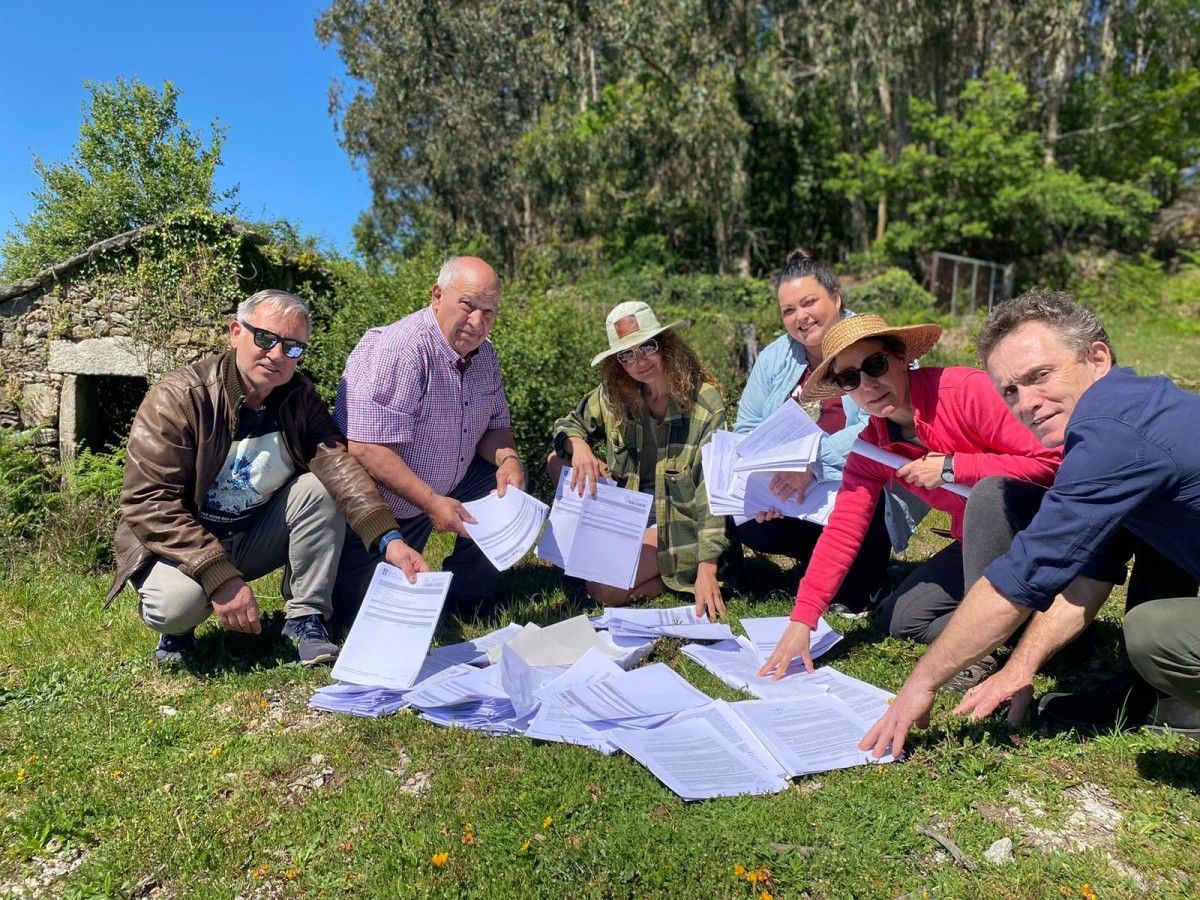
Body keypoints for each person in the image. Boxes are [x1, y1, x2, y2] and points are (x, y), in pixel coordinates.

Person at [861, 292, 1200, 758]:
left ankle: (1174, 701)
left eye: (1041, 375)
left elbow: (1024, 574)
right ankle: (1144, 690)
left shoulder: (1114, 431)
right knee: (1145, 531)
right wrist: (1022, 664)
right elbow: (1090, 574)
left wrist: (921, 684)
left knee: (1153, 632)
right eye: (1010, 390)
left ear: (1097, 358)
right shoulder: (1132, 406)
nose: (1028, 404)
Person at [106, 289, 428, 667]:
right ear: (235, 333)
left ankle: (306, 620)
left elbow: (338, 465)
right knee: (176, 606)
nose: (276, 355)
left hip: (252, 534)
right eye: (265, 338)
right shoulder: (179, 397)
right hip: (180, 547)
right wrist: (219, 576)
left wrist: (388, 538)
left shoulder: (298, 395)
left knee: (320, 485)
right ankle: (178, 631)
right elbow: (148, 502)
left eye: (292, 347)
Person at [758, 314, 1060, 682]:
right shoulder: (871, 448)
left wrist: (953, 467)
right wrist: (803, 618)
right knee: (900, 618)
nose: (868, 384)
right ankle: (1026, 624)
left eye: (875, 365)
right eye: (850, 378)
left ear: (901, 358)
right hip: (975, 543)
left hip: (1038, 531)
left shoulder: (965, 391)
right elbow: (842, 532)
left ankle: (979, 650)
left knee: (988, 495)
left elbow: (1051, 464)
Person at [733, 249, 924, 616]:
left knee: (860, 502)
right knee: (746, 520)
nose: (800, 318)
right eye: (788, 311)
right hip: (795, 483)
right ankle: (821, 562)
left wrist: (812, 463)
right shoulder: (775, 356)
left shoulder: (874, 343)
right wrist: (768, 477)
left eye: (809, 303)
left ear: (836, 298)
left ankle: (860, 577)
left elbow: (885, 424)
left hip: (863, 477)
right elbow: (747, 426)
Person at [333, 256, 523, 617]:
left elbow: (494, 426)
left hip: (443, 489)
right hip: (382, 507)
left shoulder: (486, 356)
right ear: (437, 295)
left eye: (489, 312)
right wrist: (432, 502)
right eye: (468, 306)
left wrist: (508, 459)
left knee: (498, 484)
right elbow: (366, 449)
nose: (478, 322)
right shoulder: (402, 349)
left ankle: (470, 598)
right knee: (354, 613)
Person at [549, 301, 730, 618]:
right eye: (626, 355)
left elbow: (713, 490)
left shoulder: (704, 401)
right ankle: (607, 553)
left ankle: (672, 578)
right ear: (617, 363)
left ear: (667, 345)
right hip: (629, 506)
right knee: (557, 460)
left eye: (647, 346)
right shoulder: (616, 391)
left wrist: (708, 569)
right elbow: (567, 424)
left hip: (674, 519)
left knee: (602, 589)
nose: (639, 361)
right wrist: (580, 448)